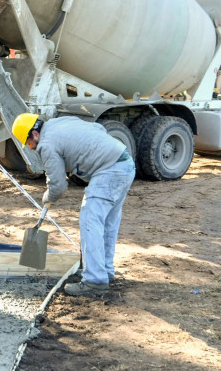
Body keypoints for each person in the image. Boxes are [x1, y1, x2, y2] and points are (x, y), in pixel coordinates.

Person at [11, 113, 135, 298]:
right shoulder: (58, 123)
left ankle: (94, 280)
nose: (32, 147)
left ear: (34, 134)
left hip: (108, 171)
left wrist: (48, 197)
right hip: (125, 164)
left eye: (29, 143)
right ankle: (104, 272)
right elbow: (98, 129)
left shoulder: (46, 144)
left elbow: (58, 185)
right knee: (107, 223)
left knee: (89, 219)